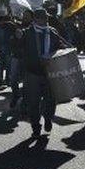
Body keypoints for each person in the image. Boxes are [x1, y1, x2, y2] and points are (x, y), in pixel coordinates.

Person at [21, 9, 68, 137]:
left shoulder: (52, 32)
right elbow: (18, 48)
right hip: (33, 72)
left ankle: (48, 118)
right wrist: (16, 38)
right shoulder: (26, 33)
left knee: (51, 100)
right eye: (41, 18)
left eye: (45, 18)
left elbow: (59, 45)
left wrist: (62, 47)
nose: (44, 20)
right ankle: (35, 126)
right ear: (35, 19)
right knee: (33, 102)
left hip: (50, 72)